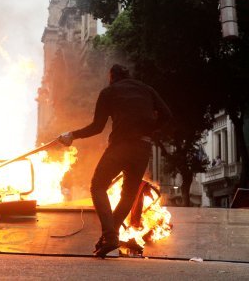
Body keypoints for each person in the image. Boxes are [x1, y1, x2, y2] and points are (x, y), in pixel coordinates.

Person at [58, 64, 172, 258]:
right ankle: (110, 236)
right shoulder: (147, 89)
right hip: (143, 148)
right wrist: (149, 129)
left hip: (120, 146)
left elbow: (97, 127)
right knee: (128, 194)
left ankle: (110, 236)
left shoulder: (109, 92)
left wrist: (71, 135)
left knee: (97, 186)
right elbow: (167, 115)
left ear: (112, 77)